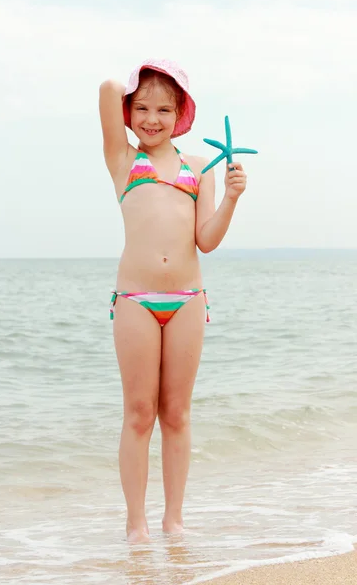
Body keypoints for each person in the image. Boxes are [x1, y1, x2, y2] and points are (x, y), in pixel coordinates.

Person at [99, 59, 247, 543]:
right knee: (139, 412)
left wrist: (230, 198)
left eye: (164, 109)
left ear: (180, 112)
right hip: (136, 299)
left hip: (187, 299)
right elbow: (105, 89)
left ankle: (174, 519)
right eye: (141, 107)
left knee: (177, 413)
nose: (151, 118)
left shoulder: (198, 168)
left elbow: (206, 240)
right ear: (128, 110)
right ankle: (135, 523)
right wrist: (131, 78)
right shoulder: (124, 161)